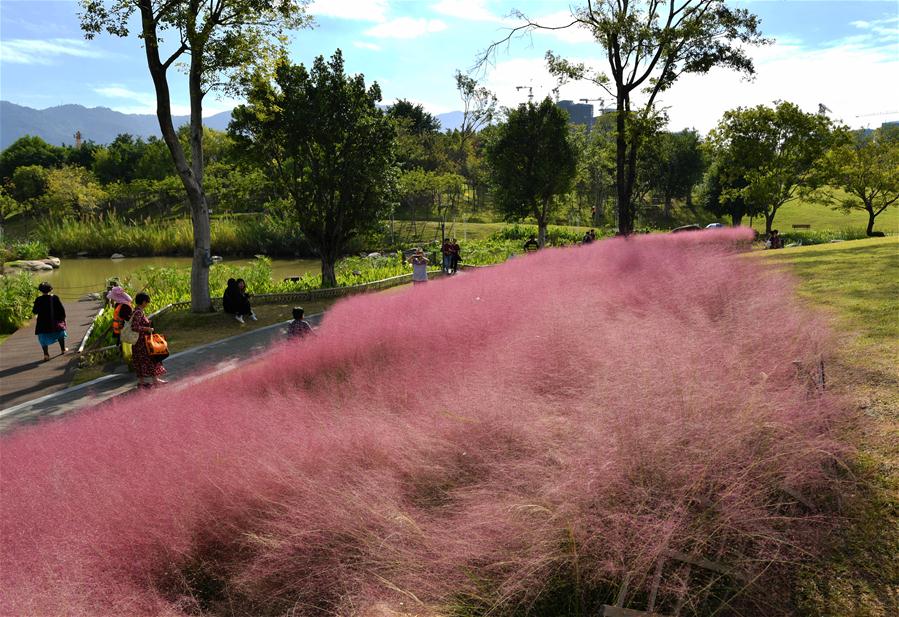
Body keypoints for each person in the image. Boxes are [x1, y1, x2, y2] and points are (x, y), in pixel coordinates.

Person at [130, 292, 167, 388]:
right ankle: (155, 380)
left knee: (142, 361)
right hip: (141, 342)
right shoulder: (138, 312)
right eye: (147, 302)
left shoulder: (137, 311)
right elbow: (135, 327)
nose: (147, 304)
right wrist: (147, 329)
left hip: (139, 342)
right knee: (151, 359)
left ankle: (142, 382)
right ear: (143, 302)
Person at [32, 282, 67, 361]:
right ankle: (63, 349)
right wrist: (63, 318)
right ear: (50, 289)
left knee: (43, 339)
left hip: (42, 323)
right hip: (54, 322)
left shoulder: (38, 299)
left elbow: (35, 311)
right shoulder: (55, 298)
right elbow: (61, 309)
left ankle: (46, 355)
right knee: (60, 334)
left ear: (40, 290)